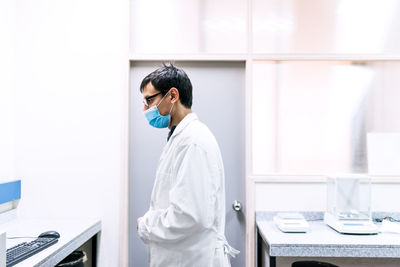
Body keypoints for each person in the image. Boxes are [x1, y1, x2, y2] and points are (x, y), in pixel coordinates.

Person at [137, 63, 239, 267]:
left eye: (149, 100)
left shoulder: (193, 141)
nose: (145, 109)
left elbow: (191, 216)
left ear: (172, 96)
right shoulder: (181, 138)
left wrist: (146, 224)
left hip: (193, 259)